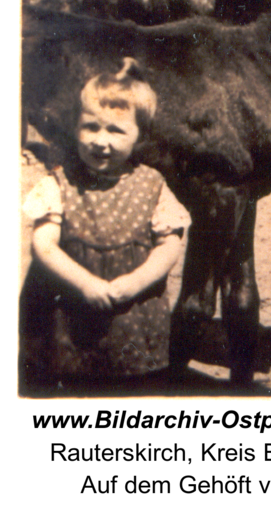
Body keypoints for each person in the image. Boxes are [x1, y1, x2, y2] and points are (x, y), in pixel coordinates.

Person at [20, 58, 190, 394]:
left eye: (115, 130)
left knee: (131, 394)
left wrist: (133, 282)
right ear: (76, 127)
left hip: (134, 315)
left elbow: (170, 245)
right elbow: (44, 245)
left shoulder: (153, 184)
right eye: (91, 127)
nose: (101, 141)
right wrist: (85, 283)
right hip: (68, 317)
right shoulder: (58, 182)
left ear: (140, 136)